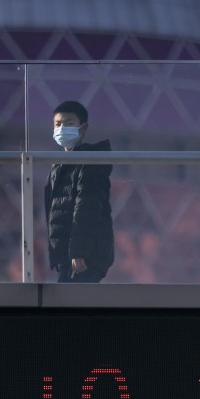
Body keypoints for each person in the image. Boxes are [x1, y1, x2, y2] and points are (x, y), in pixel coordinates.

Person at [44, 100, 114, 283]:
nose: (61, 129)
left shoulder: (89, 162)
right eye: (57, 124)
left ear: (83, 128)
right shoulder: (59, 166)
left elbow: (87, 208)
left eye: (68, 124)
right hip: (70, 254)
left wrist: (79, 251)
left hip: (84, 254)